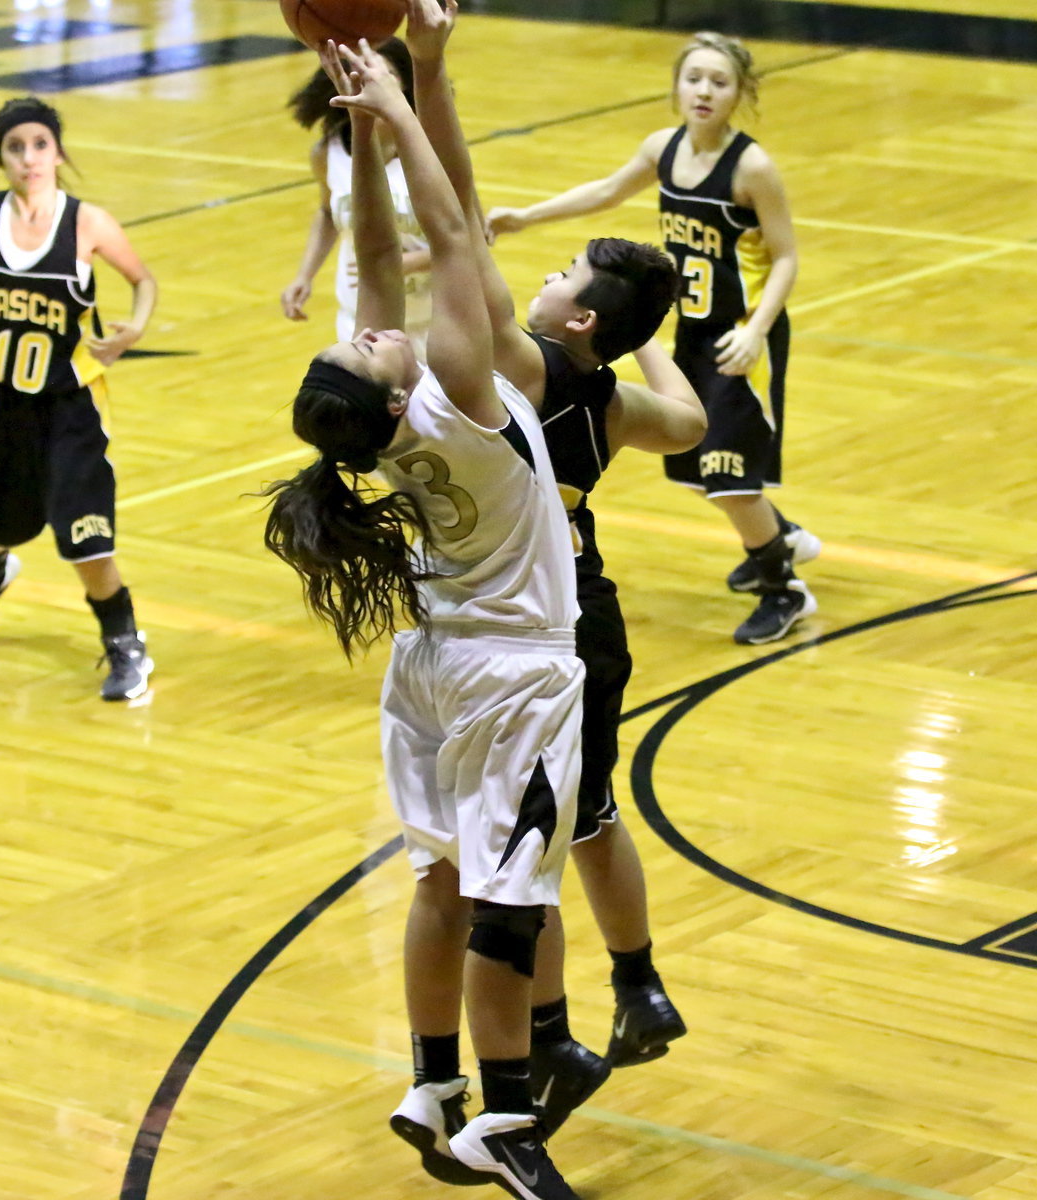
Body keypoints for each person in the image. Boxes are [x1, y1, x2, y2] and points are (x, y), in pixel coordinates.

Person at [262, 35, 585, 1200]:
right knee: (507, 902)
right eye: (366, 337)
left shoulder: (384, 415)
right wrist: (401, 106)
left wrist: (359, 128)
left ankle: (428, 1079)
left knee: (436, 884)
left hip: (431, 665)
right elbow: (451, 239)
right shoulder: (453, 391)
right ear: (393, 381)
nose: (371, 319)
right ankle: (501, 1118)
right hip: (511, 674)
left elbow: (372, 253)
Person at [389, 0, 704, 1159]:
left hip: (518, 632)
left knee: (512, 866)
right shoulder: (606, 399)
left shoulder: (517, 369)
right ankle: (632, 983)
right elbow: (690, 424)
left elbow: (459, 220)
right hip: (585, 612)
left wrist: (429, 74)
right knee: (584, 822)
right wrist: (633, 332)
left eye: (564, 270)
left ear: (568, 316)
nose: (544, 270)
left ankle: (541, 1046)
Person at [487, 30, 821, 646]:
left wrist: (756, 330)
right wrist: (525, 216)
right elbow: (605, 192)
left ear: (739, 94)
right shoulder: (662, 148)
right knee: (696, 466)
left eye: (719, 82)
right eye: (694, 78)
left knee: (727, 472)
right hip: (687, 331)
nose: (704, 91)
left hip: (739, 337)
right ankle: (778, 535)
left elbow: (787, 259)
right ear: (676, 86)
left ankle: (785, 587)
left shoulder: (751, 166)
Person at [0, 95, 157, 701]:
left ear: (58, 151)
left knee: (85, 536)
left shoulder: (87, 222)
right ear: (1, 157)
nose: (28, 157)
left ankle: (126, 647)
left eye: (40, 144)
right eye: (15, 147)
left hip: (72, 408)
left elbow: (142, 278)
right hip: (0, 402)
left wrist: (136, 326)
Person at [280, 37, 432, 360]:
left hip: (433, 321)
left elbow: (465, 240)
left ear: (403, 81)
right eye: (359, 70)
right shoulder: (328, 152)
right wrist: (304, 276)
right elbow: (327, 212)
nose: (370, 77)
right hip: (363, 322)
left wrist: (396, 265)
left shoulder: (427, 150)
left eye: (383, 70)